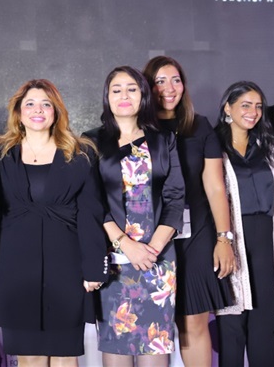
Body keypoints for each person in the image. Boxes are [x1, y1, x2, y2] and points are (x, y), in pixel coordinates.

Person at [0, 79, 108, 367]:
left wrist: (94, 267)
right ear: (18, 112)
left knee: (65, 357)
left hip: (66, 267)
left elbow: (90, 213)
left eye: (46, 104)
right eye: (30, 104)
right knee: (29, 357)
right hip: (13, 269)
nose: (38, 110)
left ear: (56, 111)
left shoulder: (81, 154)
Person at [84, 66, 184, 366]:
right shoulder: (91, 141)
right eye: (116, 90)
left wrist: (152, 250)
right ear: (107, 97)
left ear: (143, 95)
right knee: (117, 350)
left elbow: (175, 197)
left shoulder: (164, 140)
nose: (124, 95)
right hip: (114, 260)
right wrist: (126, 245)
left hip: (158, 260)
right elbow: (91, 202)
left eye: (131, 89)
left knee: (155, 349)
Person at [142, 56, 234, 365]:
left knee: (194, 322)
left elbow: (215, 187)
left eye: (176, 80)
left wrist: (224, 239)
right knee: (152, 324)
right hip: (151, 236)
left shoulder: (200, 126)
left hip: (197, 234)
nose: (169, 88)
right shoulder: (136, 129)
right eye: (160, 81)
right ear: (147, 87)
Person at [213, 81, 274, 367]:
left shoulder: (269, 145)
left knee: (265, 323)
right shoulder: (212, 146)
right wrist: (221, 240)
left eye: (258, 106)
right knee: (231, 326)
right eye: (245, 105)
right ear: (228, 108)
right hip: (229, 239)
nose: (253, 112)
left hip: (267, 239)